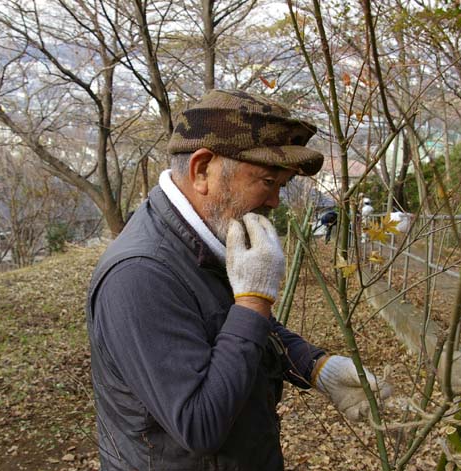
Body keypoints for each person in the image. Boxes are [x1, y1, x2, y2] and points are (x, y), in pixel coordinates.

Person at [86, 89, 392, 470]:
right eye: (267, 182)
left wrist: (316, 366)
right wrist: (254, 300)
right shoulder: (139, 274)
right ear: (202, 171)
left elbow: (228, 327)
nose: (275, 202)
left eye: (281, 186)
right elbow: (199, 426)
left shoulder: (199, 238)